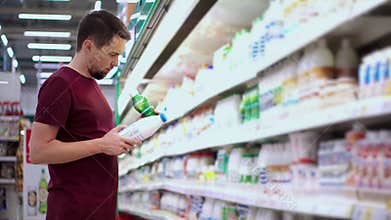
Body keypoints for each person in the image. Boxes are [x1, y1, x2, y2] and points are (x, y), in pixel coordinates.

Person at [29, 10, 140, 220]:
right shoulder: (60, 83)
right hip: (73, 212)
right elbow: (38, 151)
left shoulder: (91, 85)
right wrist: (102, 144)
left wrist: (118, 139)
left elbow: (91, 138)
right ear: (88, 46)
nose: (116, 63)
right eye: (112, 54)